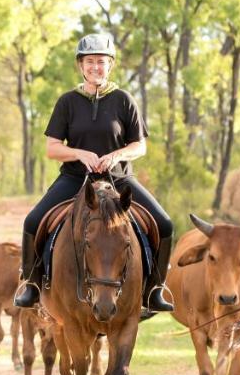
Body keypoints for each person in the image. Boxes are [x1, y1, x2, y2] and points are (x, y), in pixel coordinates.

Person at [14, 33, 175, 312]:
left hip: (120, 179)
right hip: (76, 179)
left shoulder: (124, 100)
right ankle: (32, 285)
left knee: (164, 223)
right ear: (80, 65)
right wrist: (79, 153)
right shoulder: (67, 102)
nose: (95, 67)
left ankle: (154, 290)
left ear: (110, 65)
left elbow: (140, 145)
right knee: (32, 220)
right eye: (89, 62)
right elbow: (52, 148)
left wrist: (117, 155)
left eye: (101, 62)